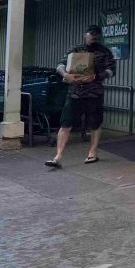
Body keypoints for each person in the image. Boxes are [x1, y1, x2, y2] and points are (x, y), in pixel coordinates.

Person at [45, 25, 115, 167]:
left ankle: (92, 152)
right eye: (91, 34)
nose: (94, 37)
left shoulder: (105, 52)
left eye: (96, 35)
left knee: (95, 123)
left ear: (100, 36)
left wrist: (96, 76)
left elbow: (111, 70)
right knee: (66, 123)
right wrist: (65, 75)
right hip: (75, 93)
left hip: (94, 93)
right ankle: (58, 156)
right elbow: (60, 64)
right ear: (86, 35)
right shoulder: (75, 50)